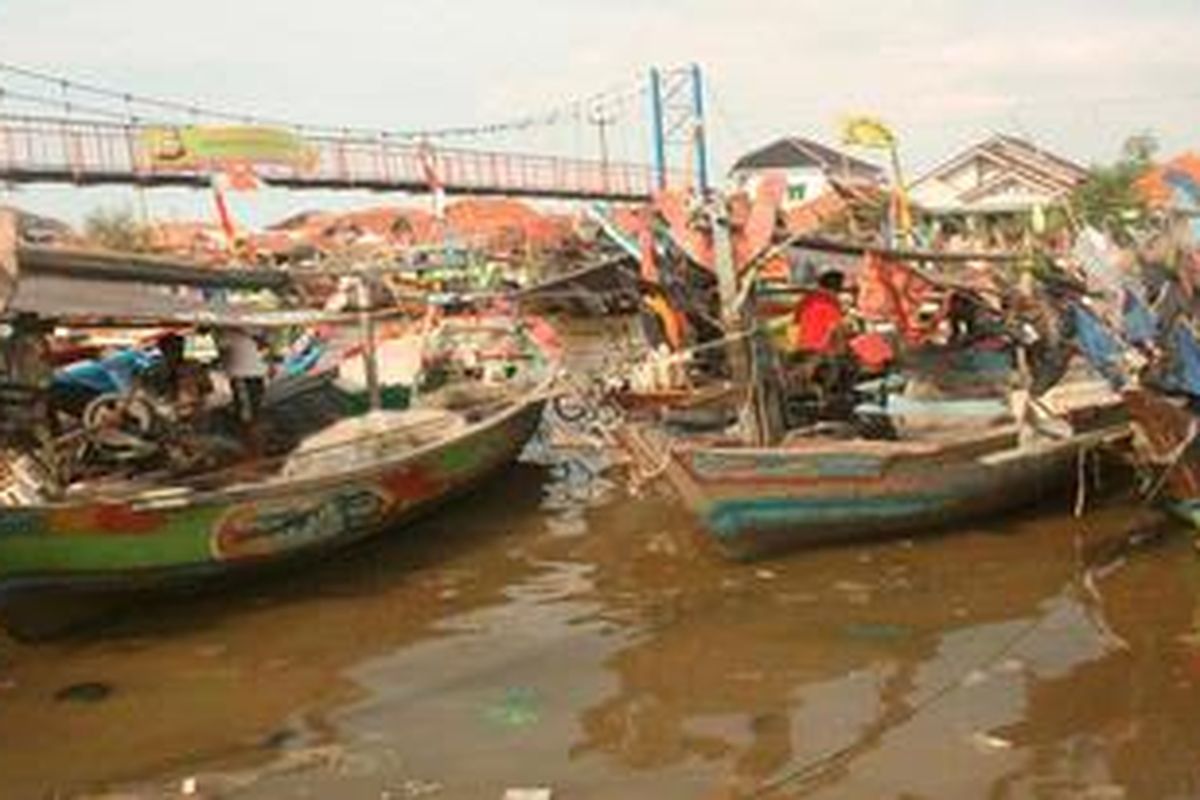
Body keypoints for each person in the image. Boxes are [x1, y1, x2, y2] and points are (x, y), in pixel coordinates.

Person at [216, 327, 268, 435]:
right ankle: (250, 439)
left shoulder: (229, 330)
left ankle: (250, 439)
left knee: (249, 413)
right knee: (250, 412)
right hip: (250, 374)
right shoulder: (229, 331)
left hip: (246, 374)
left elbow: (223, 349)